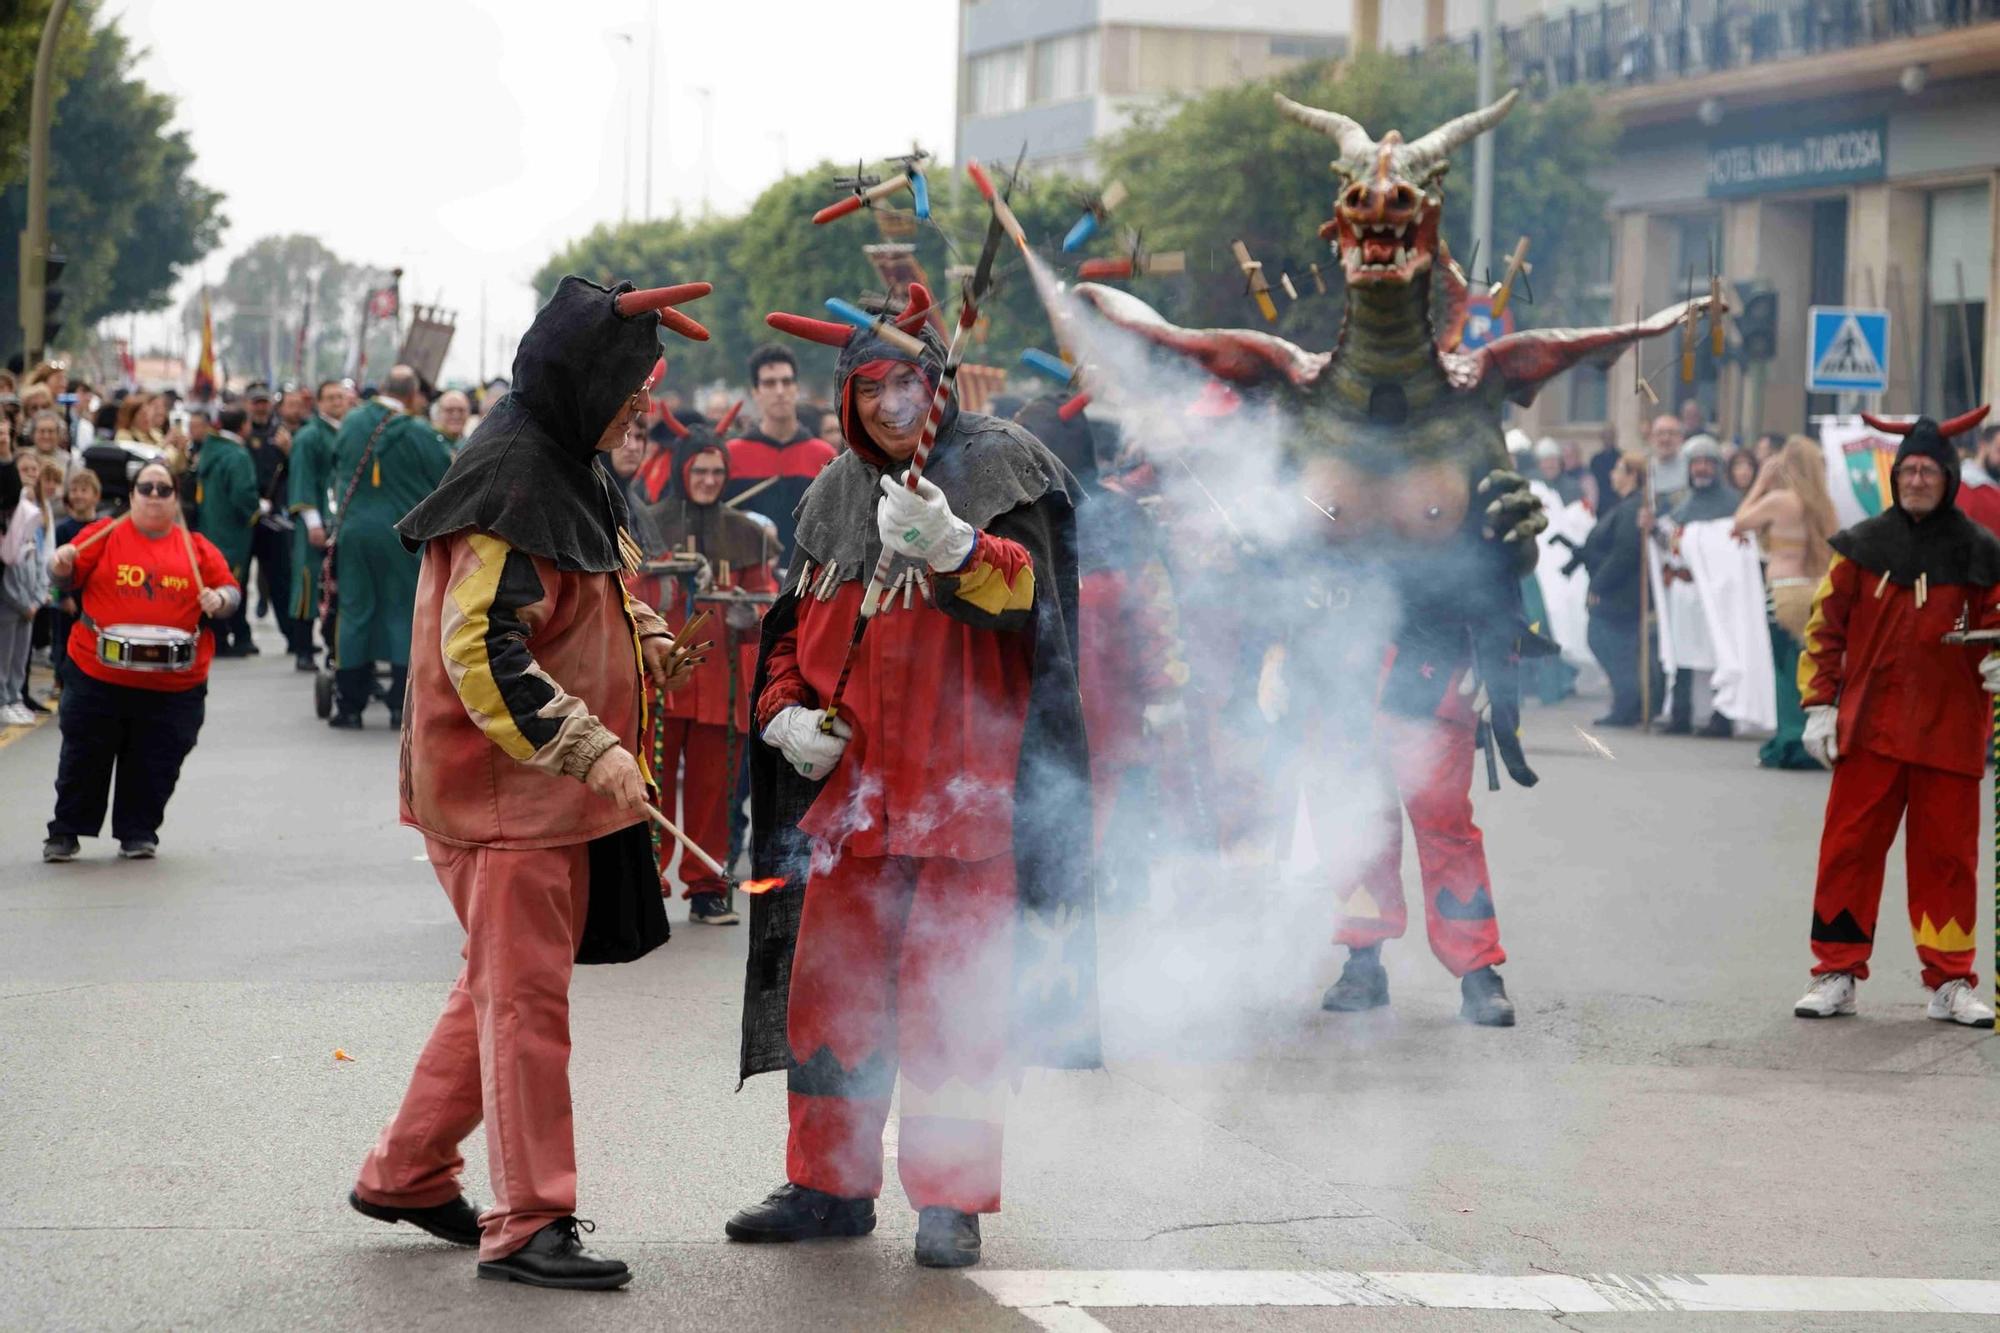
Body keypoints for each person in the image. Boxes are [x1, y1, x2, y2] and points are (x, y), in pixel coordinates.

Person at [728, 290, 1095, 1269]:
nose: (890, 404)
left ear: (936, 382)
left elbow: (1034, 602)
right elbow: (788, 638)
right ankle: (827, 1186)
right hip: (850, 806)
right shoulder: (830, 492)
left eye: (906, 383)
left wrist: (959, 546)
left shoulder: (1002, 464)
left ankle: (950, 1199)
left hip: (967, 799)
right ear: (846, 396)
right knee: (830, 1000)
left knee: (954, 1002)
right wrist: (783, 712)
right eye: (869, 387)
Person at [353, 275, 703, 1291]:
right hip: (505, 797)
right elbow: (482, 649)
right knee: (522, 1008)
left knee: (495, 992)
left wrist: (645, 639)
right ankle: (529, 1220)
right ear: (587, 380)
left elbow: (591, 585)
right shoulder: (512, 477)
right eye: (631, 392)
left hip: (544, 797)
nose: (641, 410)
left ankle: (407, 1170)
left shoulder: (565, 457)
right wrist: (590, 744)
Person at [1793, 407, 1998, 1028]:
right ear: (1895, 476)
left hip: (1951, 732)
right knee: (1848, 852)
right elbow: (1824, 631)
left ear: (1948, 477)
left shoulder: (1982, 551)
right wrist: (1819, 704)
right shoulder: (1860, 548)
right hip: (1869, 730)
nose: (1916, 480)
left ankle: (1950, 980)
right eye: (1908, 470)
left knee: (1948, 861)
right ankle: (1836, 971)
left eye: (1928, 471)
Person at [40, 461, 239, 861]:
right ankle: (65, 832)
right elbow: (63, 577)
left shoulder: (196, 546)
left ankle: (138, 831)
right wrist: (59, 565)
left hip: (174, 683)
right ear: (131, 496)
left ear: (175, 499)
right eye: (146, 488)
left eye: (164, 489)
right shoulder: (103, 534)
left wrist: (219, 599)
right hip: (98, 673)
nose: (154, 496)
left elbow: (230, 592)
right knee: (83, 756)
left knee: (158, 759)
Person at [627, 409, 779, 924]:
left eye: (717, 472)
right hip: (662, 677)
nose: (710, 481)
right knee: (651, 787)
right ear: (682, 471)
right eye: (700, 471)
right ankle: (646, 880)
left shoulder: (748, 533)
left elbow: (766, 602)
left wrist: (749, 614)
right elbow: (629, 594)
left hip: (721, 681)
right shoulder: (647, 522)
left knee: (715, 793)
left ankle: (708, 886)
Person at [326, 366, 452, 729]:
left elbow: (336, 467)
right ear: (412, 395)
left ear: (382, 387)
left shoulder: (351, 423)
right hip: (403, 535)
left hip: (354, 531)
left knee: (354, 610)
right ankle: (400, 704)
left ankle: (349, 704)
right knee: (402, 610)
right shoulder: (420, 432)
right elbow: (445, 480)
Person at [1731, 435, 1837, 770]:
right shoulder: (1824, 506)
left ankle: (1792, 740)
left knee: (1785, 669)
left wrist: (1761, 483)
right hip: (1814, 589)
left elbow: (1740, 520)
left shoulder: (1781, 501)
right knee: (1809, 666)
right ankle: (1813, 737)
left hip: (1783, 591)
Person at [1654, 436, 1740, 737]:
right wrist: (1652, 530)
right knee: (1681, 652)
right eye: (1696, 463)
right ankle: (1680, 714)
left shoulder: (1734, 504)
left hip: (1717, 593)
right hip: (1683, 590)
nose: (1701, 468)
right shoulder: (1680, 503)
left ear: (1717, 467)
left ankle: (1722, 716)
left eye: (1707, 463)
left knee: (1719, 652)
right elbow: (1668, 543)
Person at [722, 344, 837, 562]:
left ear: (796, 388)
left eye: (786, 381)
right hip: (751, 575)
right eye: (769, 383)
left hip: (809, 575)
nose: (780, 391)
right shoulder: (732, 455)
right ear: (755, 392)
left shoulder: (824, 455)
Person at [1578, 450, 1661, 727]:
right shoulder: (1625, 505)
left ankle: (1628, 703)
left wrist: (1599, 584)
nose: (1612, 475)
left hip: (1620, 593)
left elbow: (1625, 552)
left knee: (1609, 643)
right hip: (1618, 590)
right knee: (1616, 646)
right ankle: (1627, 702)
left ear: (1632, 475)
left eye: (1618, 470)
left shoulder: (1632, 508)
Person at [286, 380, 348, 672]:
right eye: (331, 397)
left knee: (336, 586)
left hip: (341, 520)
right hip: (315, 521)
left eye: (340, 397)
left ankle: (332, 647)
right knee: (308, 581)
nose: (337, 402)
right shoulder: (309, 436)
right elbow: (303, 479)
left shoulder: (348, 432)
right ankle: (302, 648)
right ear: (320, 403)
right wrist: (312, 522)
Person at [193, 407, 261, 657]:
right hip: (232, 529)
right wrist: (256, 510)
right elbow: (243, 495)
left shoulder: (209, 450)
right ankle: (228, 639)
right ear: (243, 426)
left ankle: (223, 637)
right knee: (231, 582)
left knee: (213, 581)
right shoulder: (237, 455)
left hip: (209, 525)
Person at [0, 455, 49, 726]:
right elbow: (8, 576)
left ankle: (15, 696)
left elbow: (40, 565)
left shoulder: (34, 532)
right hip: (12, 606)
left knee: (20, 657)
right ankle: (3, 699)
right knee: (4, 656)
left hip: (30, 605)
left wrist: (37, 599)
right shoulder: (7, 534)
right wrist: (22, 603)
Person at [50, 469, 106, 684]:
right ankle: (61, 680)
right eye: (73, 490)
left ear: (96, 496)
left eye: (84, 490)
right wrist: (63, 597)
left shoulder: (101, 529)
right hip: (68, 598)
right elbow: (54, 567)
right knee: (62, 640)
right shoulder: (63, 530)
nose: (78, 495)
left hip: (91, 597)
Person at [1647, 413, 1689, 509]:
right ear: (1651, 438)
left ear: (1681, 438)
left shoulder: (1691, 468)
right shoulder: (1644, 469)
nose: (1666, 439)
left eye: (1671, 433)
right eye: (1660, 433)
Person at [1533, 438, 1583, 505]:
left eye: (1553, 460)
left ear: (1560, 463)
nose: (1549, 464)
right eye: (1545, 461)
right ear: (1538, 464)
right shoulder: (1531, 486)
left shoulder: (1573, 488)